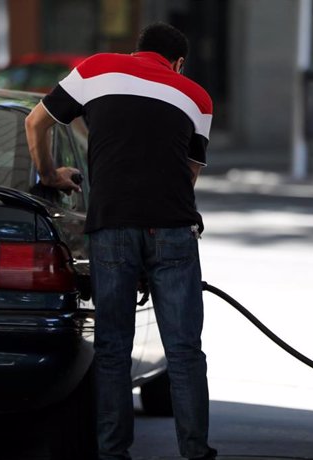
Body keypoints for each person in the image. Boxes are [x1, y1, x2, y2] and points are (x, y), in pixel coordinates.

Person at [25, 22, 217, 460]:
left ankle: (113, 454)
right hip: (172, 230)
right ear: (179, 63)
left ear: (137, 51)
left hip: (111, 227)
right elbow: (187, 177)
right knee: (184, 350)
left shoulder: (95, 70)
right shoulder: (197, 97)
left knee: (112, 348)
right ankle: (195, 452)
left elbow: (36, 121)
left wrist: (50, 174)